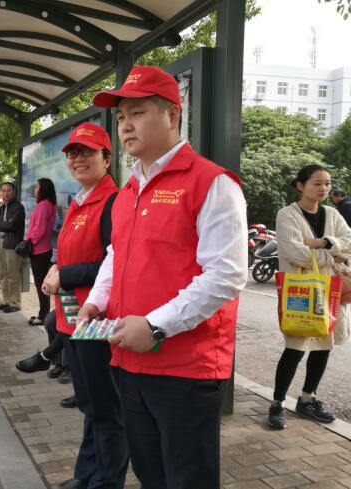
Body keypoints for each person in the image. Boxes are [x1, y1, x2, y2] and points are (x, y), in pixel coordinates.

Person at [79, 65, 248, 489]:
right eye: (121, 117)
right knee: (150, 473)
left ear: (173, 115)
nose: (125, 125)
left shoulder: (212, 183)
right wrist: (97, 299)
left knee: (187, 478)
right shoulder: (128, 192)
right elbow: (117, 253)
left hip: (185, 369)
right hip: (127, 358)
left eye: (137, 113)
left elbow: (226, 275)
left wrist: (155, 325)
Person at [32, 122, 126, 489]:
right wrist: (56, 269)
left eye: (87, 151)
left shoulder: (113, 203)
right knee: (90, 404)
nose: (78, 158)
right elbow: (72, 253)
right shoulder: (80, 200)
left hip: (96, 320)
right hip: (73, 318)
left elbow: (114, 264)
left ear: (107, 158)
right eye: (72, 153)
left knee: (105, 407)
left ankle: (105, 480)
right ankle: (87, 474)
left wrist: (65, 275)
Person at [267, 165, 351, 429]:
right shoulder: (287, 215)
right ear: (300, 186)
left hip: (329, 290)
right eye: (317, 183)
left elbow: (349, 241)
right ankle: (277, 402)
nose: (324, 188)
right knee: (294, 348)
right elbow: (294, 253)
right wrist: (333, 254)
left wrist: (322, 242)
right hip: (300, 289)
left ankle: (307, 399)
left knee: (324, 345)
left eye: (327, 183)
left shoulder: (332, 214)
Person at [26, 178, 57, 325]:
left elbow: (39, 229)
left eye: (37, 187)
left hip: (38, 250)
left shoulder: (43, 205)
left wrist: (29, 242)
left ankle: (43, 316)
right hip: (44, 249)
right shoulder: (50, 204)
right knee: (42, 284)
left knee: (40, 285)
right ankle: (43, 314)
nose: (35, 189)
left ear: (43, 189)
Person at [0, 182, 25, 313]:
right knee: (2, 273)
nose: (5, 193)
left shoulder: (18, 207)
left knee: (13, 274)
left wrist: (0, 224)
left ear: (14, 192)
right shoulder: (2, 207)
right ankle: (6, 301)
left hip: (12, 244)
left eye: (8, 190)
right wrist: (2, 224)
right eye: (3, 190)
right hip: (1, 242)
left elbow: (12, 226)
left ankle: (15, 303)